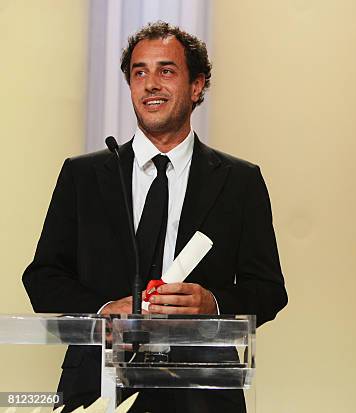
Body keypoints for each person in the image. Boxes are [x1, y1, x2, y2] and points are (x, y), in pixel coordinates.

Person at [22, 21, 287, 412]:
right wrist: (102, 309)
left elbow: (268, 290)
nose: (150, 84)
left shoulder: (239, 181)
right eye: (139, 72)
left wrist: (211, 302)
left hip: (202, 387)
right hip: (97, 383)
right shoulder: (84, 175)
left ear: (197, 86)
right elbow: (42, 277)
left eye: (166, 70)